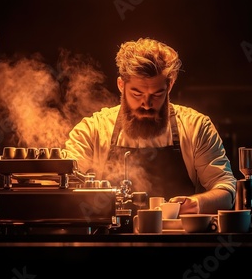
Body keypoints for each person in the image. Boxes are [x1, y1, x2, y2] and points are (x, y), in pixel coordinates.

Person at [65, 37, 236, 214]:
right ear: (121, 85)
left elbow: (227, 191)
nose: (146, 104)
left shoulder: (196, 127)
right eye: (137, 93)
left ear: (169, 86)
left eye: (157, 94)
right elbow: (65, 186)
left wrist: (195, 203)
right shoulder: (92, 130)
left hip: (177, 239)